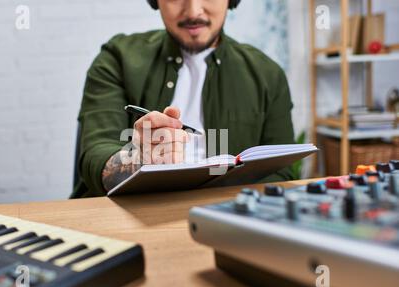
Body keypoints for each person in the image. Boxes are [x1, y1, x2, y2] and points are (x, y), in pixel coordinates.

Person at [71, 0, 295, 198]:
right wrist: (137, 161)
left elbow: (281, 171)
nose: (193, 11)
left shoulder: (268, 74)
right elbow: (94, 153)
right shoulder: (117, 59)